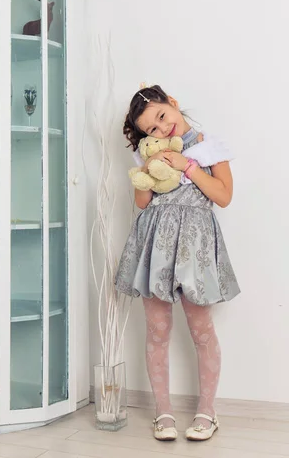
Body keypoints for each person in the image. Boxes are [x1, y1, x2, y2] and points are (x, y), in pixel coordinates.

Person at [115, 84, 240, 442]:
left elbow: (224, 196)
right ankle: (163, 413)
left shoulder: (209, 145)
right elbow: (142, 202)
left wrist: (188, 166)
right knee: (157, 330)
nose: (160, 129)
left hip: (195, 247)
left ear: (173, 104)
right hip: (156, 244)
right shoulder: (149, 153)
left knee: (201, 330)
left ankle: (207, 412)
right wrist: (148, 171)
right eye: (150, 129)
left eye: (161, 117)